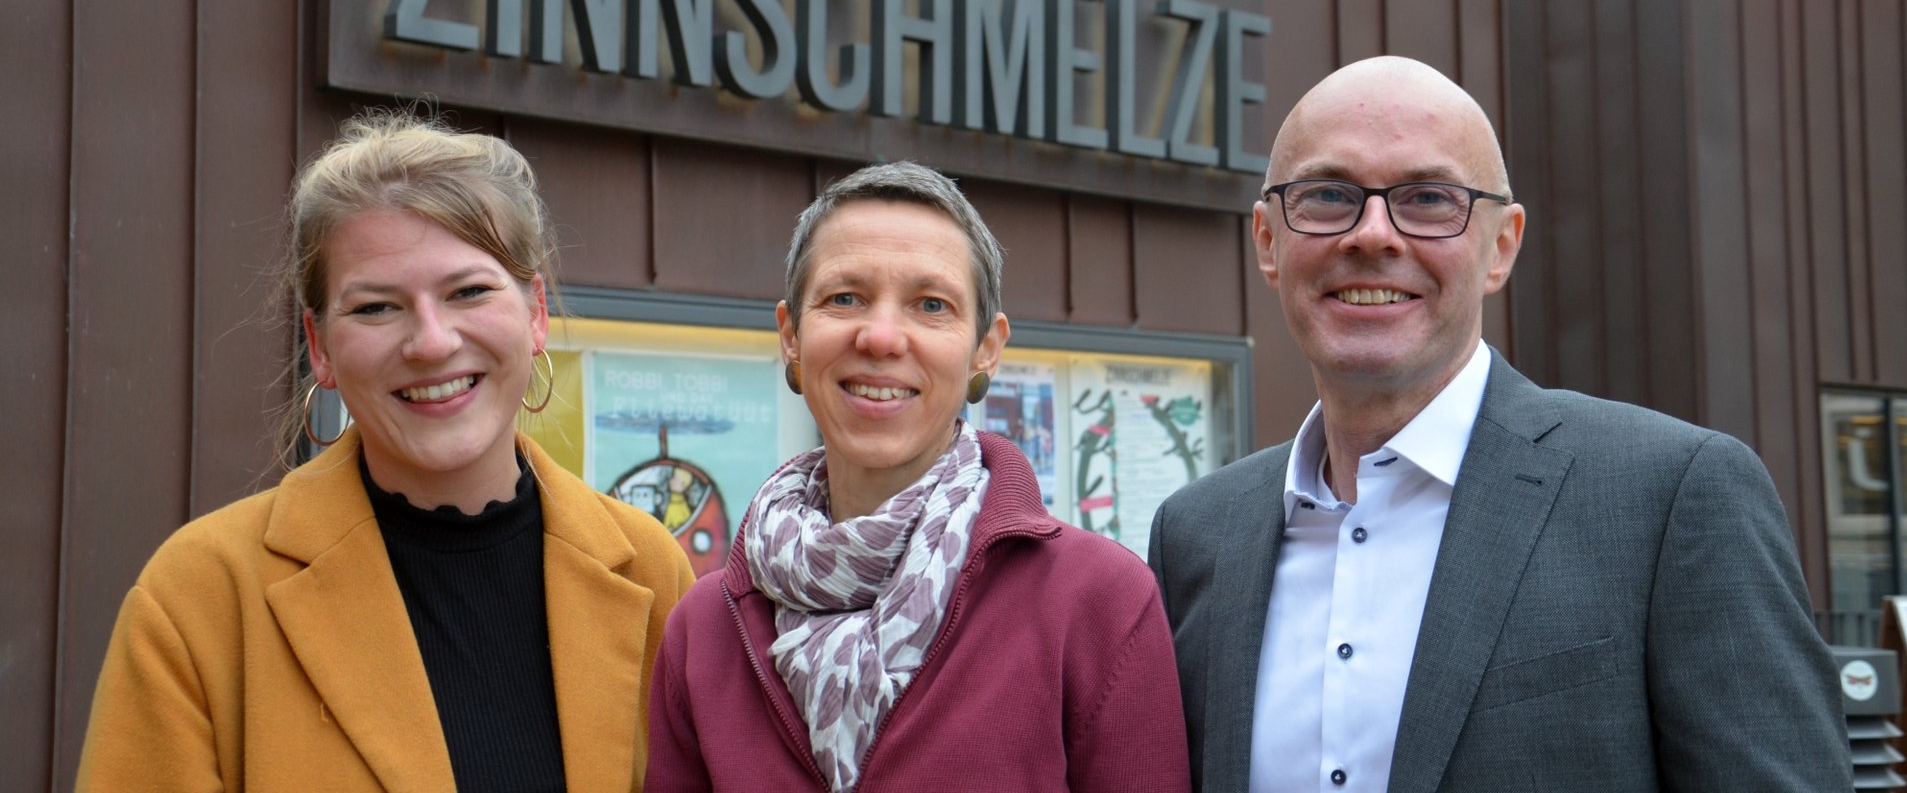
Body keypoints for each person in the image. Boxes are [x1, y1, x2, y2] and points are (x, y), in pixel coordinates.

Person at [1149, 57, 1850, 792]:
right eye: (1329, 195)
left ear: (1502, 246)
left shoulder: (1671, 497)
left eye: (1427, 198)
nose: (1374, 234)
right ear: (1267, 242)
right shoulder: (1198, 535)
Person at [76, 113, 695, 792]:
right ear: (320, 348)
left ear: (536, 313)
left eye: (469, 292)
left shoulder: (651, 571)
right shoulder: (199, 598)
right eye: (376, 308)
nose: (431, 342)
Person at [646, 162, 1189, 792]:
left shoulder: (1098, 602)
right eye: (844, 297)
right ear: (792, 336)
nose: (880, 337)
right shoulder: (705, 628)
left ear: (985, 347)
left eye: (931, 305)